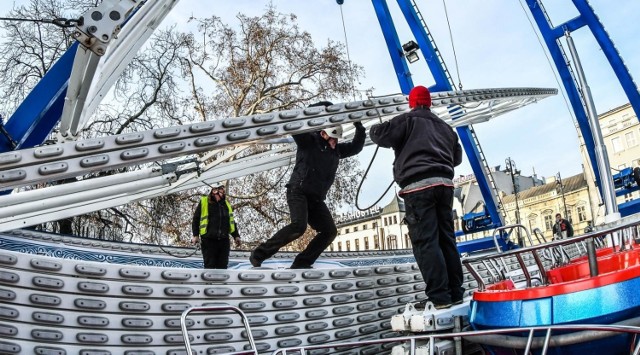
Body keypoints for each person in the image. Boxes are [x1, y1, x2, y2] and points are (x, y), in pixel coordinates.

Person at [369, 85, 464, 310]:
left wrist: (376, 125)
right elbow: (457, 157)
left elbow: (379, 135)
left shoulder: (407, 120)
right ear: (429, 103)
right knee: (446, 240)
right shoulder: (446, 128)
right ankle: (456, 293)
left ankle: (439, 297)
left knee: (426, 242)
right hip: (445, 185)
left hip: (418, 188)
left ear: (412, 103)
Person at [250, 101, 366, 269]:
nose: (335, 142)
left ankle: (302, 263)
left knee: (329, 231)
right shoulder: (308, 141)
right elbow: (295, 125)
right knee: (299, 226)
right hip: (298, 191)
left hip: (316, 199)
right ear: (324, 134)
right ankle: (259, 254)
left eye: (337, 140)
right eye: (333, 138)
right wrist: (318, 108)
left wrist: (358, 125)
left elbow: (356, 147)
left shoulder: (336, 151)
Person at [191, 185, 241, 269]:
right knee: (210, 266)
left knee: (222, 267)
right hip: (209, 240)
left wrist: (236, 236)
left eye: (222, 189)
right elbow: (196, 219)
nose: (220, 192)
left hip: (223, 241)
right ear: (212, 191)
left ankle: (220, 282)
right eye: (217, 190)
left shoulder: (226, 205)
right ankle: (209, 282)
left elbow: (231, 222)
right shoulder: (204, 202)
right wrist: (195, 235)